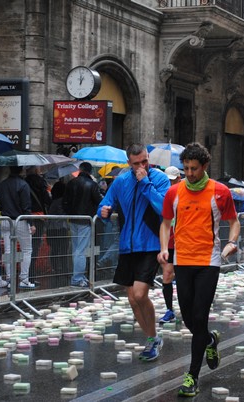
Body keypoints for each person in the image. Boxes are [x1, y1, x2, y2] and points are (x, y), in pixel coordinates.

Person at [158, 142, 240, 397]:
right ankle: (209, 340)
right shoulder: (174, 192)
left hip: (208, 262)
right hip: (182, 260)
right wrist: (164, 249)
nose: (190, 173)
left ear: (205, 166)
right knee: (189, 318)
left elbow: (234, 222)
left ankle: (192, 376)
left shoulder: (220, 191)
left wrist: (232, 242)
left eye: (194, 168)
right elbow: (165, 223)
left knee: (200, 315)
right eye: (186, 169)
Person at [98, 143, 170, 362]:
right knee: (132, 299)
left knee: (140, 294)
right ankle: (152, 338)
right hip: (127, 246)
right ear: (129, 162)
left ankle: (154, 336)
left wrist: (145, 182)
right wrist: (103, 211)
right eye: (137, 163)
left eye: (145, 161)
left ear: (148, 159)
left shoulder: (158, 178)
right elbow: (105, 204)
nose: (142, 166)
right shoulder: (121, 181)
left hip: (150, 244)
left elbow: (164, 208)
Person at [63, 162, 103, 287]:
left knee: (76, 249)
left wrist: (69, 213)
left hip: (73, 219)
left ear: (80, 170)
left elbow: (65, 201)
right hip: (86, 220)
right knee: (81, 250)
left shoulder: (71, 183)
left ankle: (77, 275)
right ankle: (77, 278)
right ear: (90, 172)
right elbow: (99, 201)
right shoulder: (92, 184)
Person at [0, 165, 37, 289]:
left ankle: (9, 278)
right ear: (21, 170)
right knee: (27, 250)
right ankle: (24, 279)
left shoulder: (2, 184)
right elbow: (26, 206)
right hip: (20, 221)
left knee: (8, 250)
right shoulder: (23, 184)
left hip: (5, 220)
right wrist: (31, 223)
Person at [158, 165, 181, 324]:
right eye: (168, 181)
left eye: (173, 181)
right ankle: (169, 310)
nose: (170, 184)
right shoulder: (165, 195)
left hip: (186, 243)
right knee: (167, 274)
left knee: (184, 278)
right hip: (170, 242)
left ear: (179, 179)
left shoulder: (186, 192)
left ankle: (192, 307)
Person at [25, 166, 52, 264]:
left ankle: (25, 272)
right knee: (35, 244)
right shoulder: (41, 182)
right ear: (36, 170)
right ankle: (31, 271)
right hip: (39, 216)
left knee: (26, 245)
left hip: (25, 216)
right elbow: (47, 200)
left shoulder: (23, 182)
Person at [47, 180, 70, 284]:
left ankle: (56, 268)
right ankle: (64, 269)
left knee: (55, 249)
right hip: (61, 228)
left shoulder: (53, 201)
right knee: (63, 249)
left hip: (51, 228)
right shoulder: (62, 201)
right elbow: (62, 214)